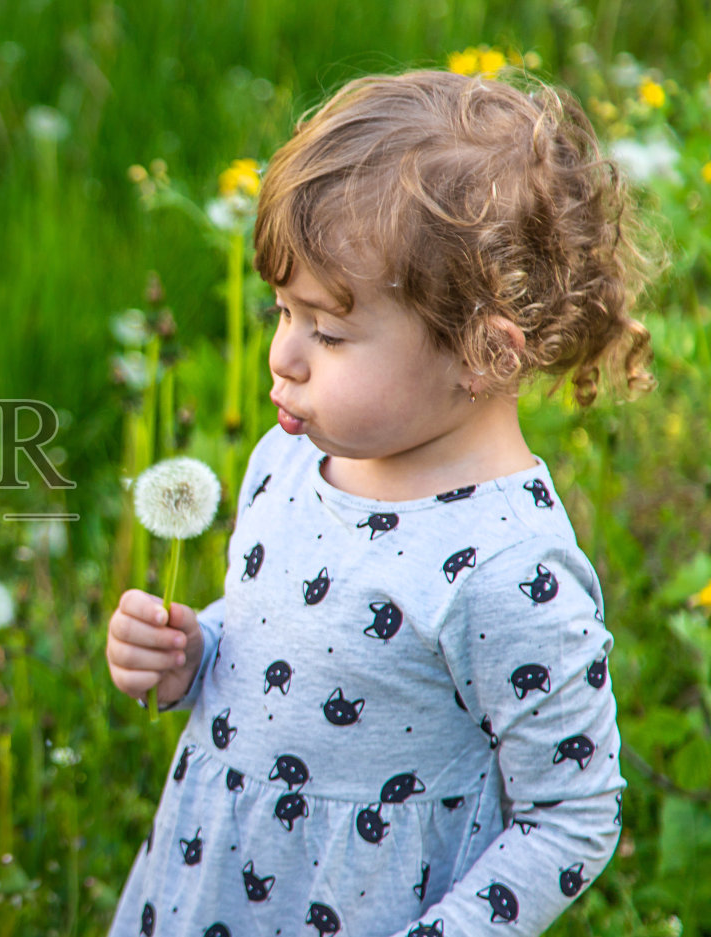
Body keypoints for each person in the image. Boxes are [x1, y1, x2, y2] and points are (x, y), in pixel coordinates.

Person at [104, 70, 652, 935]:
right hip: (202, 888)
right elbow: (295, 651)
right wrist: (196, 654)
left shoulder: (510, 571)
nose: (284, 356)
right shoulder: (290, 455)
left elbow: (570, 821)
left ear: (484, 354)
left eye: (328, 330)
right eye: (282, 311)